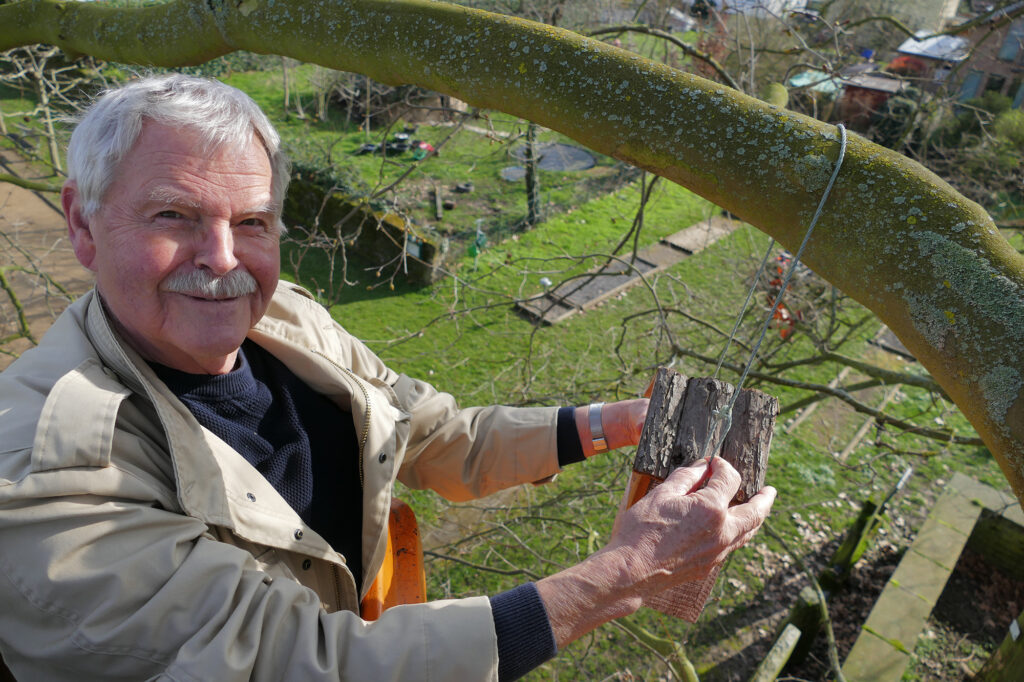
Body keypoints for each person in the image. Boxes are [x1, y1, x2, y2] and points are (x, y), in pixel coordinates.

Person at [0, 74, 775, 681]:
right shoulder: (51, 464)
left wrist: (611, 424)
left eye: (253, 223)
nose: (224, 260)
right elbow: (300, 666)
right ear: (81, 222)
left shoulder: (288, 322)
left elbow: (434, 437)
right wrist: (623, 575)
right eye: (173, 216)